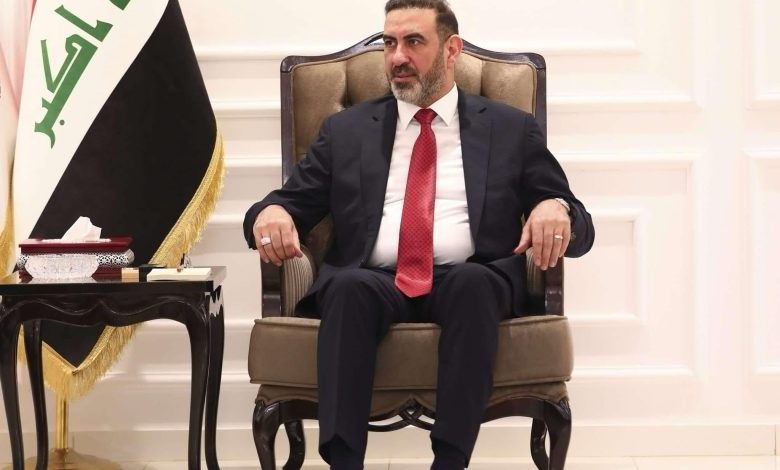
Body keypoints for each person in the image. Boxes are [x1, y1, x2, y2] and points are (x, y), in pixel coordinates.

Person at [244, 0, 595, 468]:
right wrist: (270, 213)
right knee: (347, 287)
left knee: (474, 283)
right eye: (390, 43)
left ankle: (449, 461)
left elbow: (582, 227)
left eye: (413, 42)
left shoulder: (510, 129)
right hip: (374, 279)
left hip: (469, 277)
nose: (397, 57)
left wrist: (556, 207)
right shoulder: (346, 131)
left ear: (452, 49)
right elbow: (288, 203)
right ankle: (343, 462)